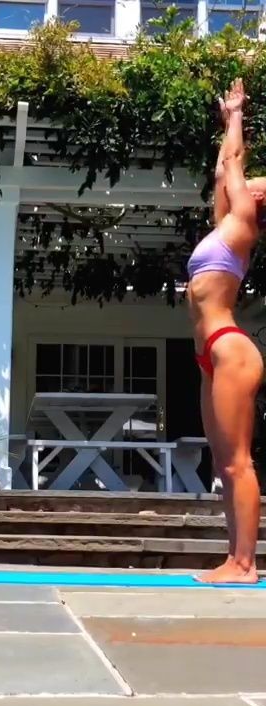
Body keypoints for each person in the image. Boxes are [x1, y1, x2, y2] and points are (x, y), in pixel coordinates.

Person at [187, 78, 265, 584]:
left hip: (229, 349)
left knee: (237, 461)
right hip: (209, 356)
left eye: (256, 182)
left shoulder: (243, 225)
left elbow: (233, 164)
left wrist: (236, 115)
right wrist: (228, 128)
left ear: (256, 200)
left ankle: (245, 563)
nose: (249, 179)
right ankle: (232, 558)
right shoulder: (226, 227)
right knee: (223, 462)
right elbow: (224, 168)